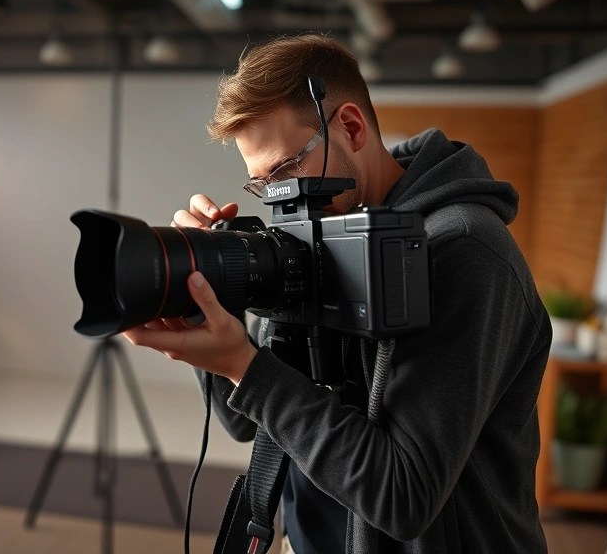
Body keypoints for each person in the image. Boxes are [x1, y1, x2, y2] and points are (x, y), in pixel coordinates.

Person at [121, 34, 551, 553]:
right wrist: (205, 303)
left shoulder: (461, 249)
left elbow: (403, 496)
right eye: (261, 183)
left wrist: (242, 364)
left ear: (349, 127)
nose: (281, 196)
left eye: (285, 170)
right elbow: (243, 420)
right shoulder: (314, 233)